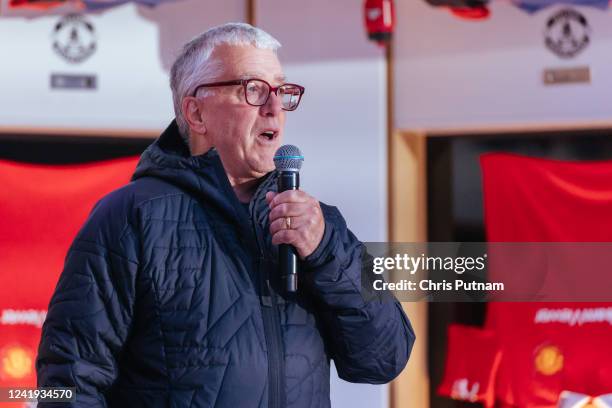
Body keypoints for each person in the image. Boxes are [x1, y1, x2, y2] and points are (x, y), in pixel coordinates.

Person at [36, 22, 415, 407]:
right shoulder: (130, 217)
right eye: (252, 89)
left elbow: (384, 359)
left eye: (281, 91)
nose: (273, 109)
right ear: (196, 112)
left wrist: (326, 252)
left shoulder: (320, 226)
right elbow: (68, 379)